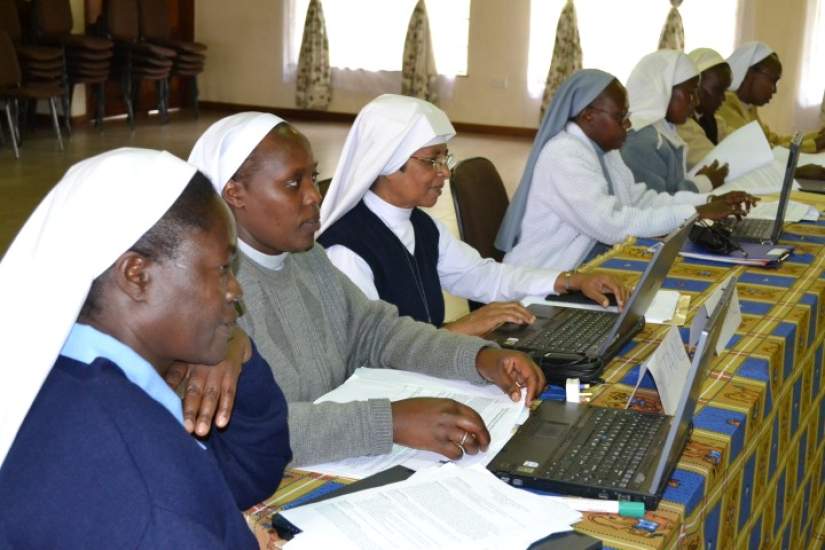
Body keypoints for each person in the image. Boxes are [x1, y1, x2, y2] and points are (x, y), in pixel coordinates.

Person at [188, 112, 546, 468]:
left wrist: (479, 359)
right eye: (294, 184)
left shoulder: (307, 258)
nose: (315, 196)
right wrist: (391, 422)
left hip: (335, 463)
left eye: (313, 177)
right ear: (235, 194)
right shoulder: (209, 297)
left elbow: (376, 332)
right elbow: (251, 429)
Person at [0, 149, 291, 548]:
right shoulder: (144, 484)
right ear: (137, 276)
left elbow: (239, 477)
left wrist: (240, 354)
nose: (235, 290)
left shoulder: (56, 372)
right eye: (222, 269)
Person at [317, 94, 627, 338]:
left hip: (427, 368)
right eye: (431, 161)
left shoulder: (419, 225)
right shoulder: (346, 249)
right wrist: (463, 327)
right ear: (386, 162)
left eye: (445, 158)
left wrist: (570, 280)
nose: (445, 173)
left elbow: (482, 275)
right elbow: (372, 349)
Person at [496, 69, 756, 272]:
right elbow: (614, 224)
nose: (628, 123)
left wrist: (708, 201)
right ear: (588, 116)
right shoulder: (565, 155)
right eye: (620, 116)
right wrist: (696, 212)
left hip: (586, 265)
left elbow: (642, 200)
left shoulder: (604, 150)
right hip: (545, 279)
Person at [620, 49, 729, 195]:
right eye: (691, 93)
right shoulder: (639, 138)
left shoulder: (663, 131)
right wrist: (704, 182)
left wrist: (693, 180)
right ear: (664, 90)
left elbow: (668, 188)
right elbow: (658, 205)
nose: (696, 101)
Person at [717, 41, 825, 180]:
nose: (774, 90)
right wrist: (816, 144)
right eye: (772, 80)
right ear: (749, 73)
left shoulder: (748, 106)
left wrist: (817, 138)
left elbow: (773, 140)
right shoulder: (725, 104)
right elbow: (763, 151)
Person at [677, 48, 734, 170]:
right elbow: (714, 162)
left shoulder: (715, 121)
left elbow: (739, 143)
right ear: (695, 86)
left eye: (725, 91)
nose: (723, 98)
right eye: (718, 90)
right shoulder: (681, 126)